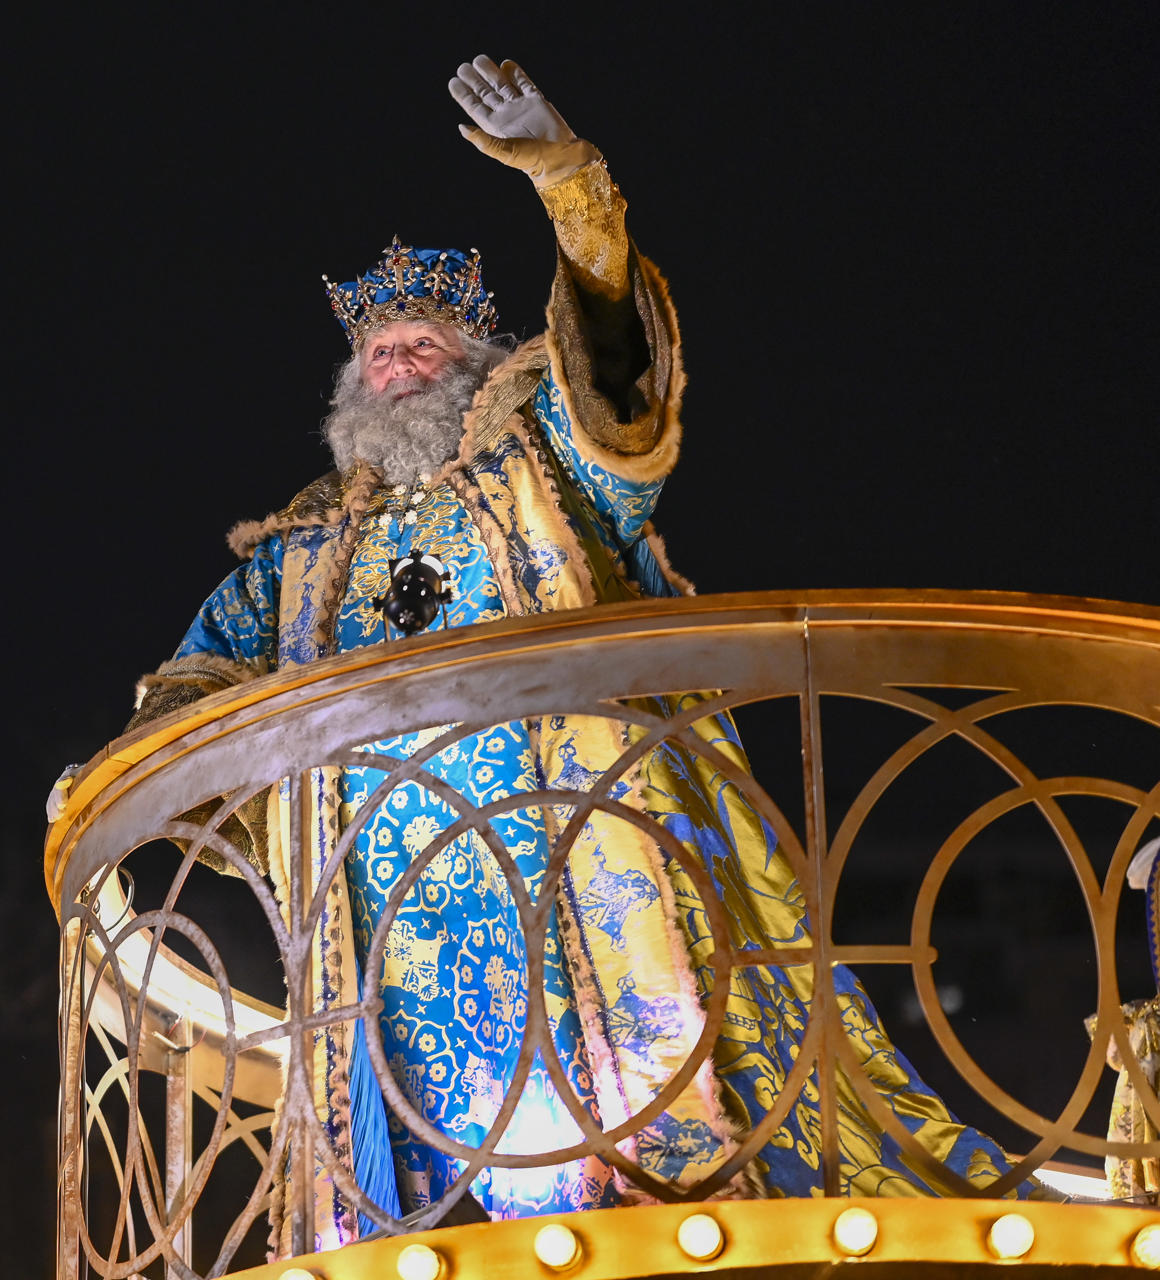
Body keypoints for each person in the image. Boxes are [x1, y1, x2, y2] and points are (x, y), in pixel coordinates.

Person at [53, 56, 1024, 1249]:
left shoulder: (544, 473)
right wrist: (118, 772)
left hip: (579, 844)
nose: (395, 363)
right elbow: (197, 682)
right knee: (450, 1154)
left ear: (476, 363)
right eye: (379, 353)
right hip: (393, 903)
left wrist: (569, 184)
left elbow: (619, 381)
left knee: (641, 1130)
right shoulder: (295, 556)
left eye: (420, 344)